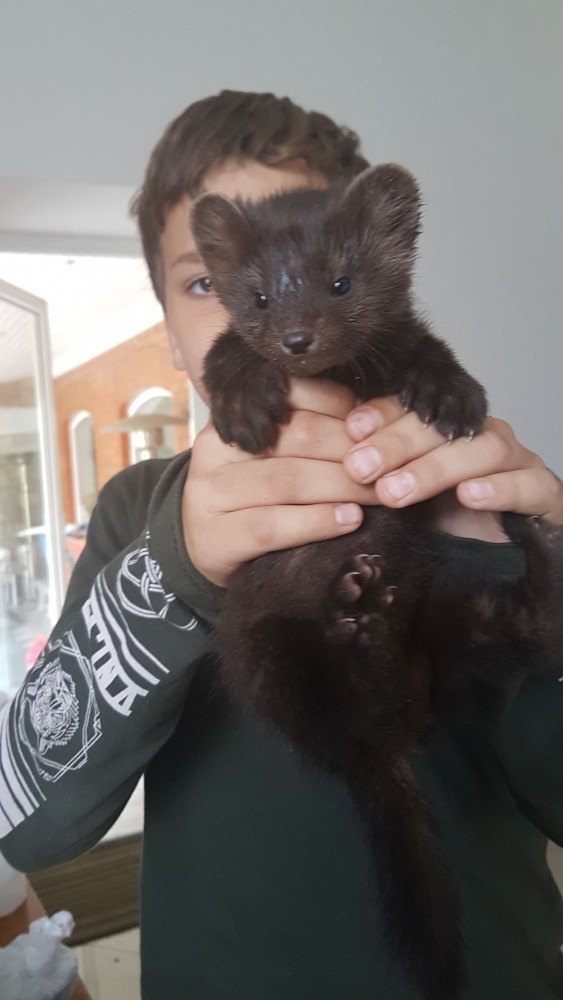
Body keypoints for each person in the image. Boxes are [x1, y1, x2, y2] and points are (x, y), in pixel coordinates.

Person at [0, 91, 562, 1000]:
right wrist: (176, 564)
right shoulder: (136, 509)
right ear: (172, 327)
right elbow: (27, 824)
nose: (295, 322)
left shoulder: (473, 483)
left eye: (330, 280)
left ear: (385, 259)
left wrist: (527, 554)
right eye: (207, 284)